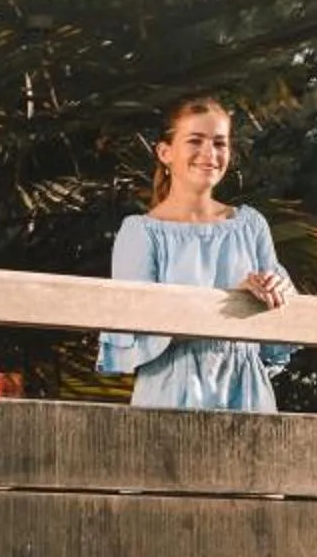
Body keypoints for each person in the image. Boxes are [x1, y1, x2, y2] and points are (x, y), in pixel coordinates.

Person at [99, 95, 299, 410]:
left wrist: (278, 291)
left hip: (247, 390)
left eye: (220, 143)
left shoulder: (251, 225)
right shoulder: (140, 232)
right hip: (171, 389)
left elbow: (280, 333)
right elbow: (135, 332)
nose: (209, 153)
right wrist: (232, 302)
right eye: (195, 140)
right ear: (165, 152)